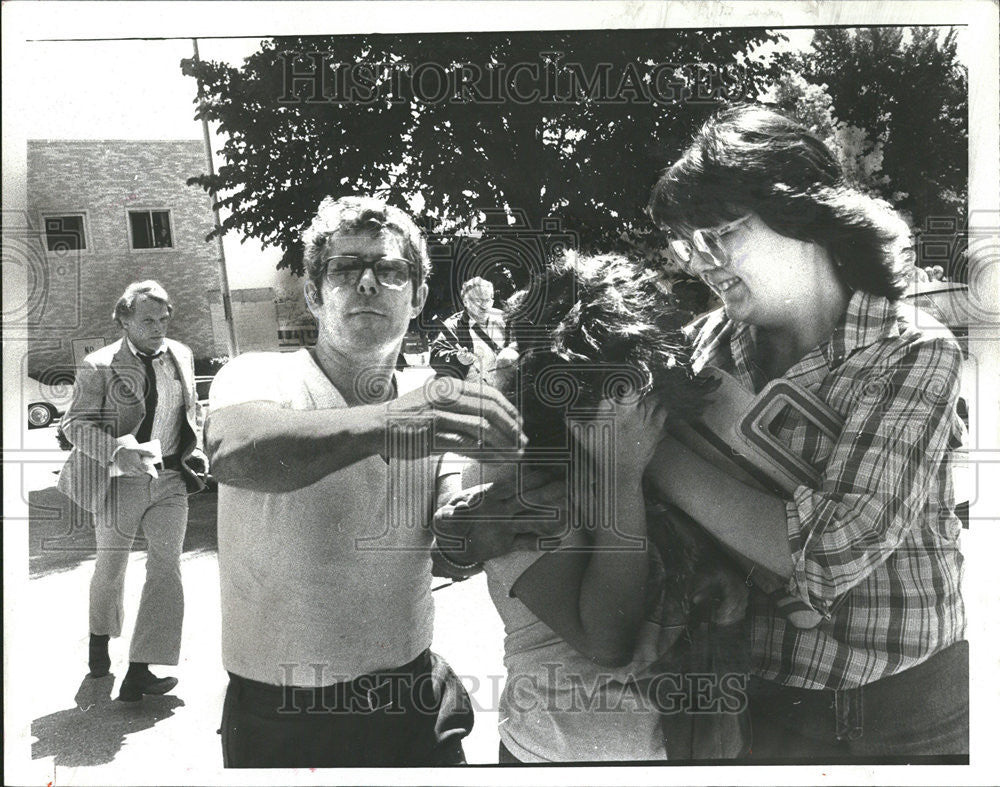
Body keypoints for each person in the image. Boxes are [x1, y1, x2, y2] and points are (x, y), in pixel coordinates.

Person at [643, 105, 967, 758]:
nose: (703, 262)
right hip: (758, 705)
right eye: (689, 243)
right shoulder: (702, 346)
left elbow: (831, 548)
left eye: (724, 232)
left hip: (903, 714)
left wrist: (650, 458)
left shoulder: (908, 349)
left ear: (804, 216)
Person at [205, 195, 526, 768]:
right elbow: (236, 452)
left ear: (419, 295)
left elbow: (452, 538)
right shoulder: (261, 375)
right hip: (286, 712)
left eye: (391, 270)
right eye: (346, 268)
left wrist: (475, 524)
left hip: (414, 694)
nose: (369, 283)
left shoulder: (432, 393)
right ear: (312, 293)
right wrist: (394, 420)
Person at [436, 254, 749, 762]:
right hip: (563, 752)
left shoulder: (651, 432)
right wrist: (620, 476)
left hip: (685, 744)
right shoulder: (506, 475)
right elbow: (606, 639)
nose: (627, 403)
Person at [58, 280, 206, 701]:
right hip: (119, 483)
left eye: (164, 318)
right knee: (111, 566)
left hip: (171, 481)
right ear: (123, 320)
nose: (158, 327)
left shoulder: (181, 354)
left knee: (166, 569)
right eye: (147, 320)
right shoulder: (99, 365)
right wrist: (113, 454)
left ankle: (140, 669)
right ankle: (98, 642)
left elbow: (189, 409)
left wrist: (198, 452)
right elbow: (73, 424)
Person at [429, 276, 517, 385]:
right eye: (478, 300)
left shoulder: (503, 318)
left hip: (505, 391)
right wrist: (457, 358)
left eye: (487, 299)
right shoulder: (454, 325)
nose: (484, 305)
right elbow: (436, 356)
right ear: (466, 302)